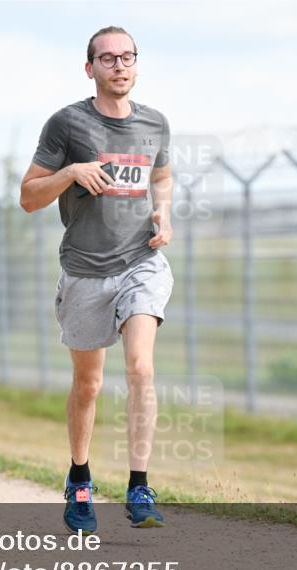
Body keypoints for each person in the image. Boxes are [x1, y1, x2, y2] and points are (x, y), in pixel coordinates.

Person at [20, 26, 174, 534]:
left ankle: (138, 486)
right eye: (107, 59)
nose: (119, 66)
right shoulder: (67, 124)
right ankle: (80, 479)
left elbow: (162, 176)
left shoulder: (154, 123)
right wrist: (70, 174)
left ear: (136, 63)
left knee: (141, 369)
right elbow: (28, 196)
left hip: (140, 262)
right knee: (88, 384)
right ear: (90, 68)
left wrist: (164, 215)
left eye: (127, 57)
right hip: (85, 269)